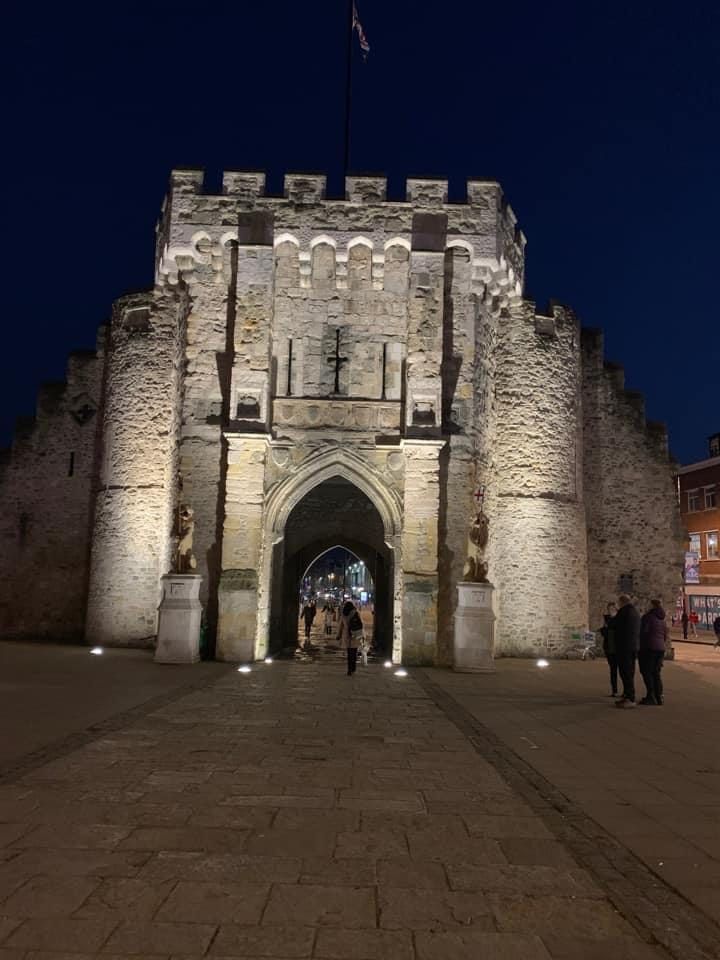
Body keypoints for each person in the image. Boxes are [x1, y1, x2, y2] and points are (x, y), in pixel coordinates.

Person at [613, 594, 641, 708]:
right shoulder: (634, 612)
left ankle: (630, 697)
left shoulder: (624, 612)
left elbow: (614, 625)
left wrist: (613, 615)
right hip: (633, 646)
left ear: (622, 602)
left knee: (626, 672)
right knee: (629, 672)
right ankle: (627, 695)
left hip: (624, 647)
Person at [638, 599, 668, 705]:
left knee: (647, 672)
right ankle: (659, 696)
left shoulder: (648, 618)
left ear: (652, 606)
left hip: (649, 648)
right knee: (656, 673)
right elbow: (665, 635)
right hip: (660, 648)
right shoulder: (662, 619)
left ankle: (651, 696)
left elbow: (643, 633)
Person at [336, 600, 364, 676]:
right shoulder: (356, 613)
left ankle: (349, 669)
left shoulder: (343, 614)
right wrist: (362, 635)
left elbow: (340, 626)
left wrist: (338, 635)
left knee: (349, 653)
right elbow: (360, 624)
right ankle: (353, 668)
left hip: (347, 635)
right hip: (355, 635)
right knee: (354, 652)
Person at [600, 602, 619, 696]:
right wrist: (605, 629)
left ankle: (626, 692)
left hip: (618, 648)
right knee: (613, 670)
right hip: (609, 647)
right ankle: (614, 690)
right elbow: (604, 632)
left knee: (623, 671)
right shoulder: (606, 618)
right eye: (609, 609)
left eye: (612, 609)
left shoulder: (619, 618)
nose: (610, 611)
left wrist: (607, 629)